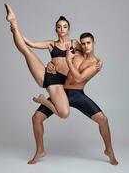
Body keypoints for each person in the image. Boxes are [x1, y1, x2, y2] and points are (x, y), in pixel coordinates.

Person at [28, 32, 118, 165]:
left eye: (89, 43)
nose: (86, 46)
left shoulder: (95, 63)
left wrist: (69, 60)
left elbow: (79, 78)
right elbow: (60, 61)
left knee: (103, 120)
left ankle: (109, 150)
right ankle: (40, 150)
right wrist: (50, 64)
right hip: (61, 92)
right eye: (83, 43)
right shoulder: (76, 52)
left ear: (94, 44)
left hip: (77, 95)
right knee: (36, 118)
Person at [5, 4, 81, 118]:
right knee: (27, 52)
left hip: (64, 82)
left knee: (64, 114)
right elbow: (31, 43)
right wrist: (16, 31)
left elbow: (86, 53)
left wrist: (96, 61)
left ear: (68, 29)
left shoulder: (74, 43)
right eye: (59, 26)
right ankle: (13, 22)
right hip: (51, 78)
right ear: (56, 29)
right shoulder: (51, 44)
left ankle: (43, 100)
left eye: (65, 26)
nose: (62, 29)